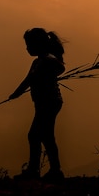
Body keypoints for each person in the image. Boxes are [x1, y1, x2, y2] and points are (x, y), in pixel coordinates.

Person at [9, 27, 66, 181]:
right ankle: (54, 170)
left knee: (35, 135)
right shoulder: (37, 62)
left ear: (38, 44)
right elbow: (28, 80)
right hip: (43, 103)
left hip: (50, 102)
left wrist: (44, 76)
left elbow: (60, 68)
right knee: (45, 136)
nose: (27, 48)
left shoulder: (48, 60)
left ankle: (36, 171)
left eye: (29, 45)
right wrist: (16, 93)